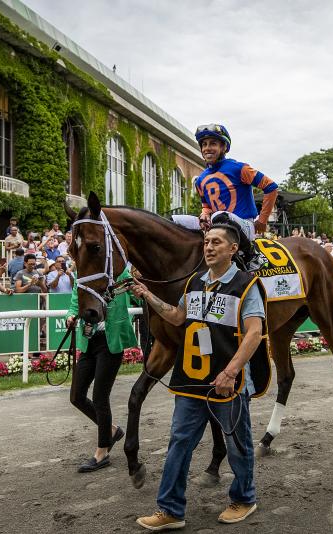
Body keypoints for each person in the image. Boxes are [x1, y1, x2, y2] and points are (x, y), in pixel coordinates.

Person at [131, 224, 269, 529]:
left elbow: (255, 332)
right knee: (179, 443)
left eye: (216, 242)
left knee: (237, 444)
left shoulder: (247, 285)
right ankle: (170, 510)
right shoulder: (195, 283)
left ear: (233, 249)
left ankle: (244, 499)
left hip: (227, 384)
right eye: (206, 242)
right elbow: (178, 316)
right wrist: (147, 295)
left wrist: (231, 371)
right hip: (191, 381)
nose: (208, 247)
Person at [65, 263, 138, 473]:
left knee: (99, 397)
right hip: (89, 341)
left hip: (110, 343)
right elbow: (73, 303)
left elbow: (137, 297)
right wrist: (70, 315)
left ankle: (102, 451)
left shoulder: (121, 273)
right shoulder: (81, 274)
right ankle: (112, 431)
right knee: (76, 396)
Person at [193, 124, 278, 267]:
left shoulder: (240, 168)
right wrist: (204, 215)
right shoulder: (200, 180)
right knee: (175, 220)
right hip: (217, 226)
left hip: (244, 226)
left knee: (219, 215)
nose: (207, 148)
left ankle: (252, 256)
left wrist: (262, 220)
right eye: (204, 144)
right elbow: (206, 206)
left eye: (213, 143)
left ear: (224, 147)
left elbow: (271, 187)